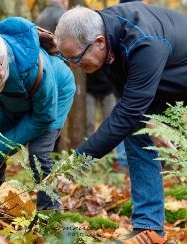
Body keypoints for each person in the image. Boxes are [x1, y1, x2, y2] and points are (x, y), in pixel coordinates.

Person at [55, 3, 187, 243]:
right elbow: (128, 98)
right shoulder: (105, 33)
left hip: (177, 74)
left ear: (99, 42)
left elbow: (127, 112)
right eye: (67, 58)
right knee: (136, 129)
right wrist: (150, 121)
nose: (73, 66)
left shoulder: (143, 43)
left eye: (76, 58)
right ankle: (149, 228)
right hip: (161, 81)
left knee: (130, 120)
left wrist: (78, 161)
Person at [0, 17, 76, 210]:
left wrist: (1, 146)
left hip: (54, 96)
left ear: (5, 57)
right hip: (11, 101)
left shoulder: (32, 68)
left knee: (38, 153)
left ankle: (49, 213)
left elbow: (44, 116)